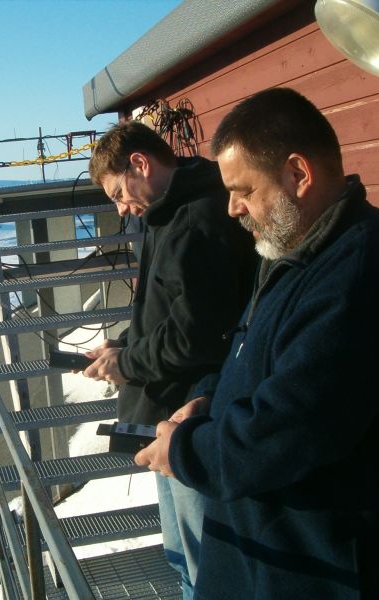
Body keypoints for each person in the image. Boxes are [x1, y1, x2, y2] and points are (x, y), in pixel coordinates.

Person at [135, 87, 379, 600]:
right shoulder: (298, 249)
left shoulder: (362, 274)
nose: (232, 208)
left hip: (329, 571)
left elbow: (293, 428)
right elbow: (257, 354)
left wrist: (186, 451)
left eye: (243, 190)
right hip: (276, 560)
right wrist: (209, 397)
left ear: (298, 174)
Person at [83, 120, 256, 597]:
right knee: (181, 555)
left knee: (204, 567)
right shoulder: (169, 212)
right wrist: (122, 344)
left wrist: (129, 364)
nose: (121, 208)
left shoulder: (198, 218)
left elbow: (197, 335)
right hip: (167, 413)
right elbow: (162, 310)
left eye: (119, 192)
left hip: (192, 414)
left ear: (140, 163)